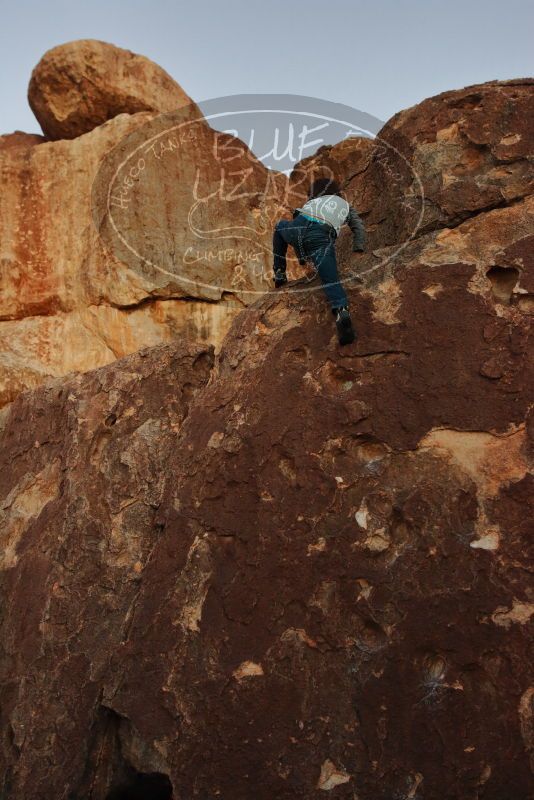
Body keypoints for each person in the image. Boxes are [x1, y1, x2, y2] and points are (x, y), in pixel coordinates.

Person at [272, 178, 366, 345]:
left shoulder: (312, 201)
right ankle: (341, 311)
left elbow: (300, 218)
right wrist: (358, 247)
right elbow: (358, 226)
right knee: (331, 279)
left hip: (297, 228)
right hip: (321, 234)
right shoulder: (345, 205)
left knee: (279, 227)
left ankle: (279, 272)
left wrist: (301, 255)